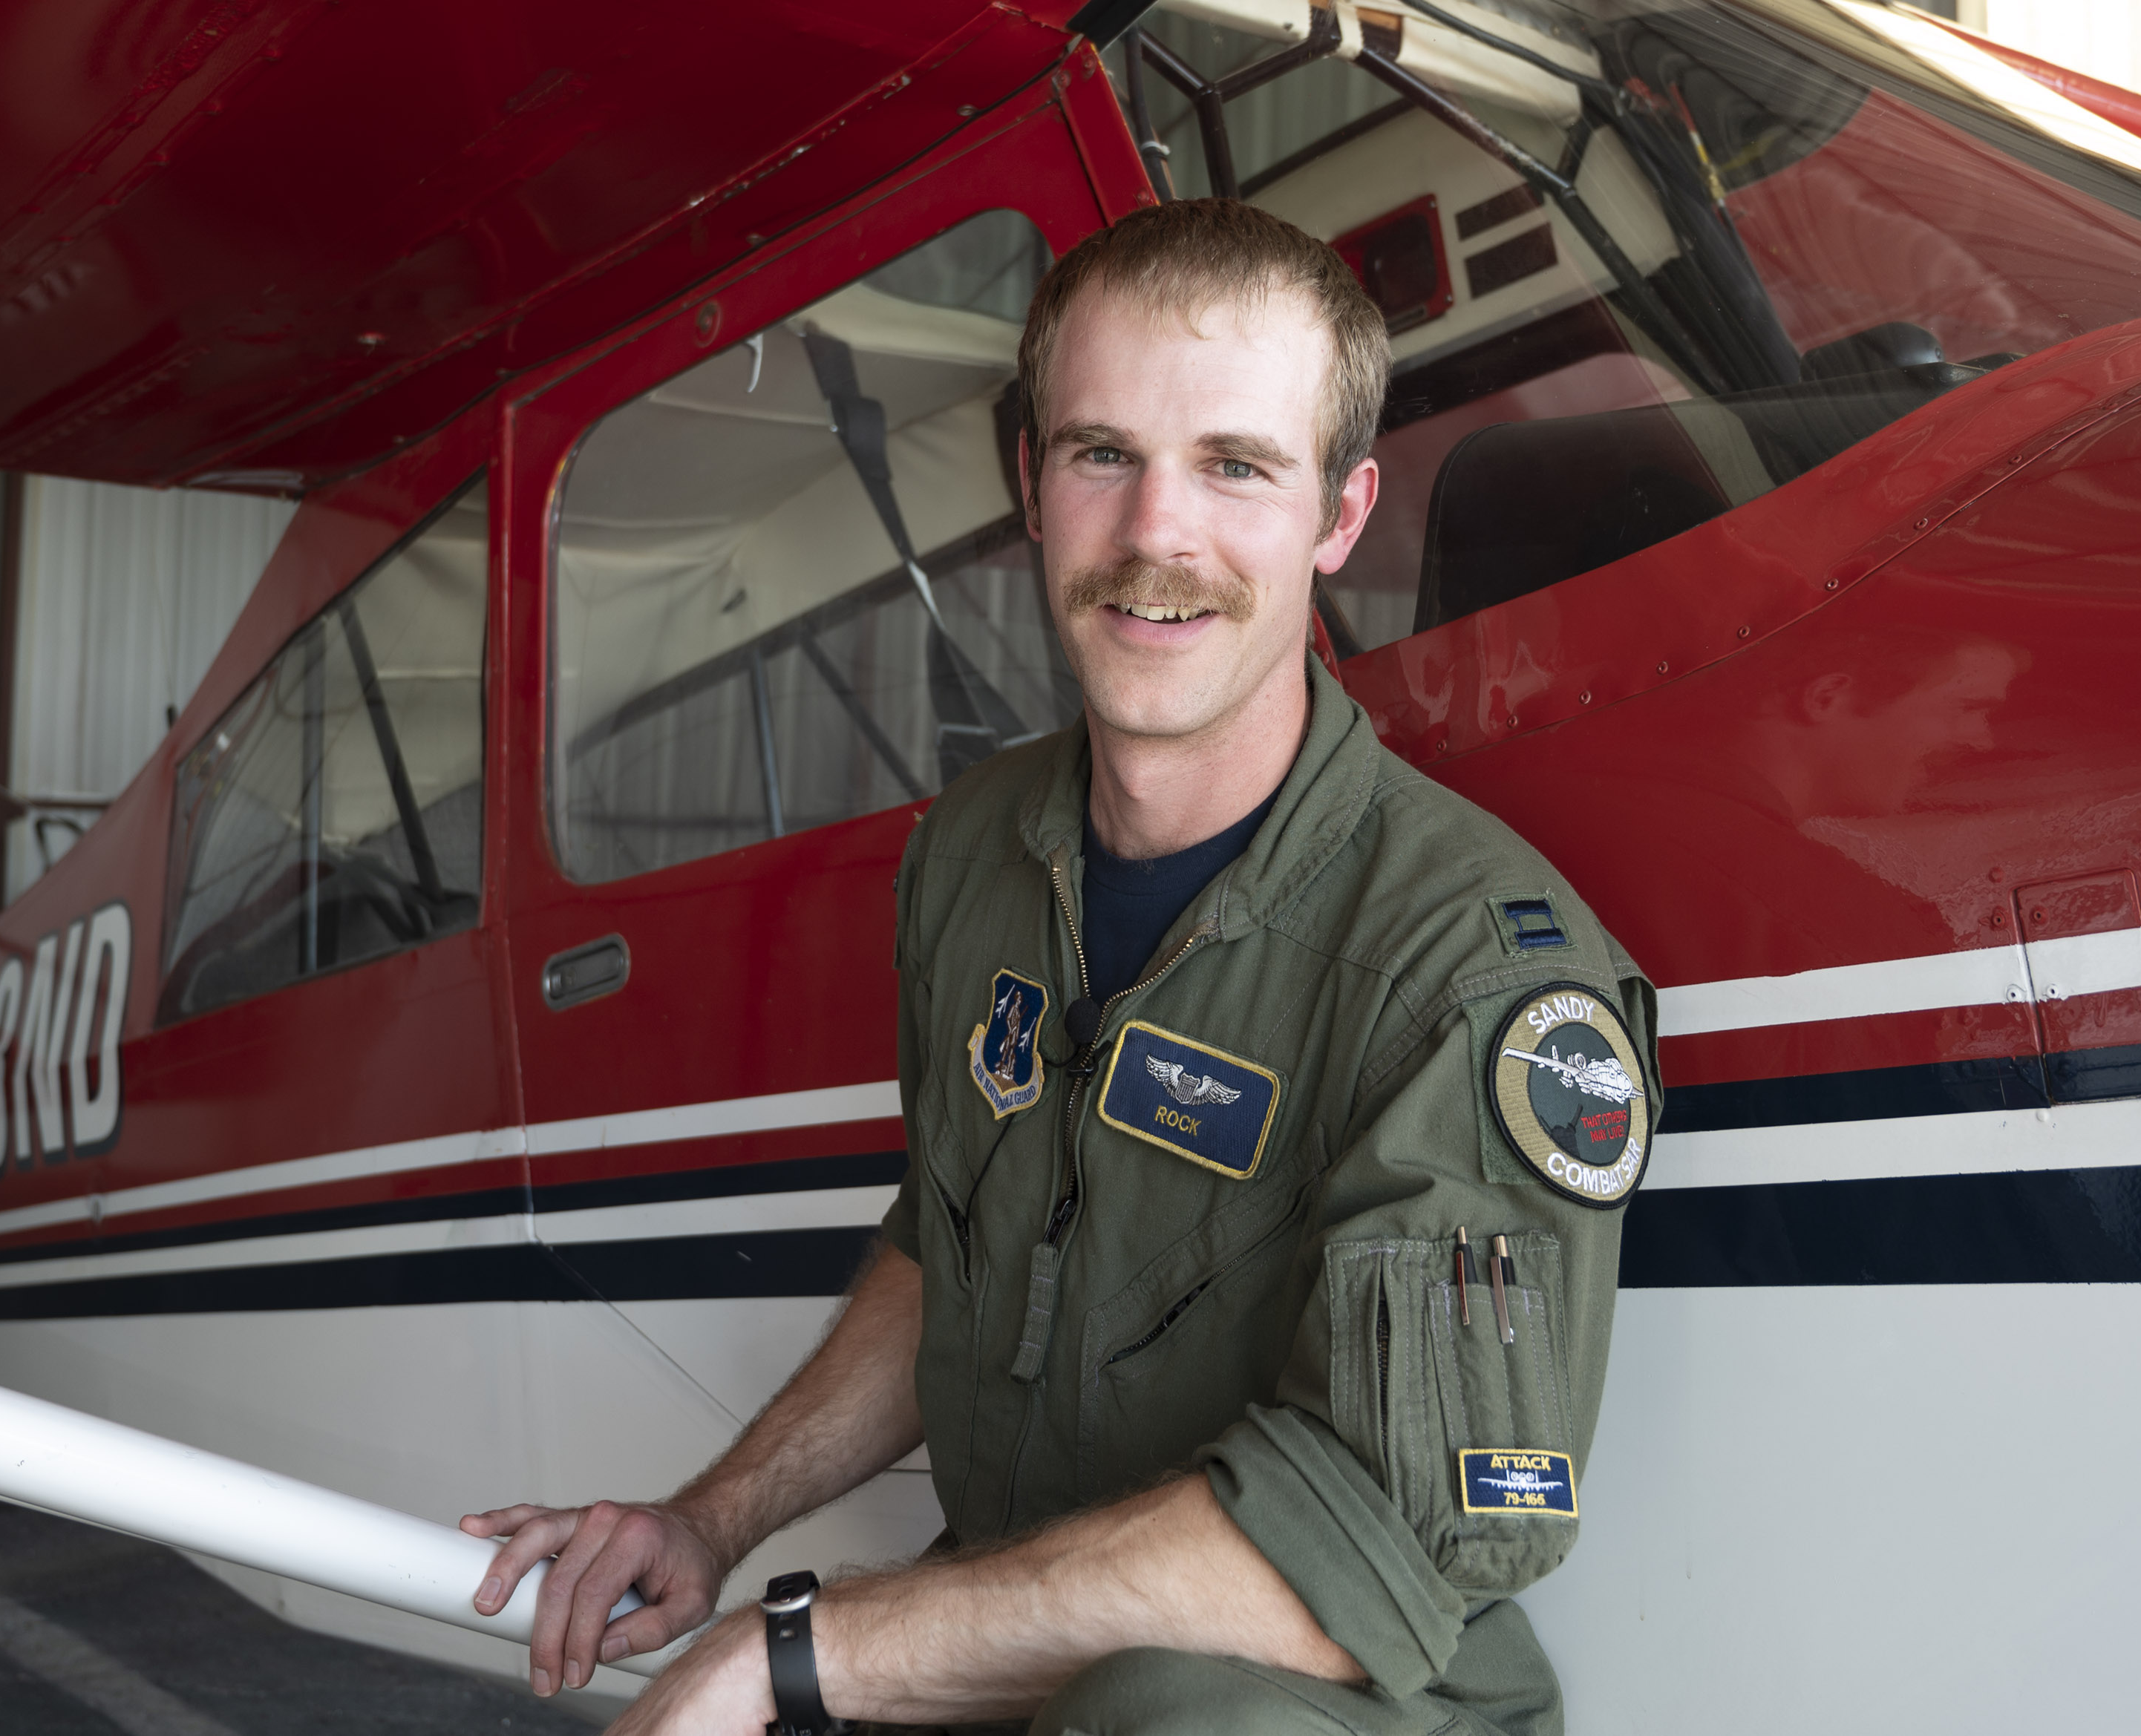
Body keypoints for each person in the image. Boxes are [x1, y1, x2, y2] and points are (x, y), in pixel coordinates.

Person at [462, 198, 1658, 1736]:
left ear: (1340, 515)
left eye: (1234, 466)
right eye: (1102, 454)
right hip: (1010, 1663)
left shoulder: (1473, 975)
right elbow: (947, 1245)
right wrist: (709, 1523)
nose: (1156, 533)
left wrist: (797, 1654)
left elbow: (1362, 1547)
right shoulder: (973, 853)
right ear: (1030, 484)